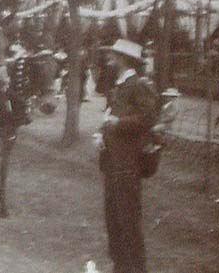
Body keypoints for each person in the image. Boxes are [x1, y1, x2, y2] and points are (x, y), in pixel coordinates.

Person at [98, 39, 158, 273]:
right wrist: (102, 133)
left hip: (127, 164)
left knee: (128, 221)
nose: (110, 57)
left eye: (115, 54)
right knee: (113, 220)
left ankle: (135, 269)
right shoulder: (120, 85)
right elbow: (111, 116)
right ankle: (120, 267)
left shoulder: (137, 85)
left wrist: (118, 123)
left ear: (124, 59)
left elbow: (147, 118)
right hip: (113, 162)